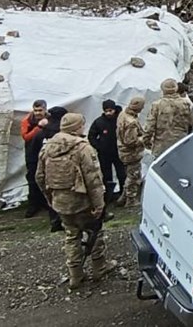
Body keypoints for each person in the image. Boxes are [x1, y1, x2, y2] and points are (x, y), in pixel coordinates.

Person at [36, 112, 114, 290]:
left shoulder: (47, 148)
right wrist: (99, 204)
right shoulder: (83, 148)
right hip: (82, 201)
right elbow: (93, 179)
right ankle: (99, 268)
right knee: (95, 233)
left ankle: (75, 275)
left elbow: (39, 177)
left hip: (61, 201)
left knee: (71, 236)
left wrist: (50, 198)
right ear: (76, 127)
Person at [27, 105, 68, 232]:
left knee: (52, 195)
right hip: (63, 168)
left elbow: (33, 153)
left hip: (46, 169)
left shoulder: (41, 133)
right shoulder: (63, 134)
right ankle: (66, 220)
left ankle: (55, 220)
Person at [144, 79, 193, 159]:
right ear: (176, 89)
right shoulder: (186, 103)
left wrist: (147, 142)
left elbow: (149, 127)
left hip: (161, 145)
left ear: (163, 90)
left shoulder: (157, 105)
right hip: (180, 143)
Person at [88, 100, 126, 204]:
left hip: (118, 151)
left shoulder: (120, 120)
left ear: (114, 109)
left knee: (122, 173)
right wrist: (99, 147)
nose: (108, 113)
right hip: (104, 153)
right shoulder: (99, 122)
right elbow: (91, 136)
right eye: (106, 111)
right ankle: (109, 196)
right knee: (106, 174)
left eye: (110, 110)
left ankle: (123, 194)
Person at [21, 100, 49, 218]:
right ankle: (33, 205)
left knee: (48, 178)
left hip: (47, 153)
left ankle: (47, 202)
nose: (37, 113)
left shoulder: (50, 119)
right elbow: (26, 137)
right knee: (32, 179)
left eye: (40, 110)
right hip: (32, 153)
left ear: (45, 109)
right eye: (35, 110)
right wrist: (38, 127)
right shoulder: (27, 120)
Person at [116, 96, 146, 208]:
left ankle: (123, 197)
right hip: (131, 153)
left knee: (129, 175)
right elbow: (130, 141)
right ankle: (131, 200)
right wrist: (144, 138)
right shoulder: (131, 122)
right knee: (134, 177)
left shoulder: (122, 115)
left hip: (122, 150)